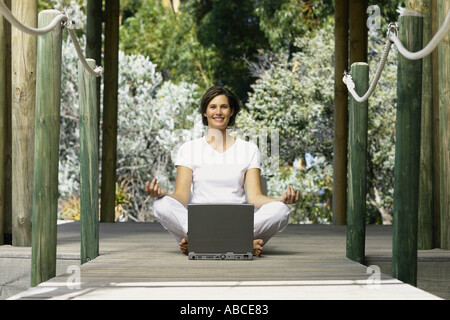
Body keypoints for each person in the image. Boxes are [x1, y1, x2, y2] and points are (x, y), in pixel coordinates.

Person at [146, 85, 300, 256]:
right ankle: (238, 244)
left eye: (224, 107)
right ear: (205, 112)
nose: (218, 112)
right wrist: (162, 194)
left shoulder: (249, 149)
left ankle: (203, 244)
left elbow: (255, 197)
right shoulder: (188, 149)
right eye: (213, 107)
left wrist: (279, 200)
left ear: (231, 111)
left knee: (281, 210)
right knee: (161, 204)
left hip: (237, 223)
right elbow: (181, 197)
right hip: (199, 224)